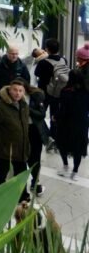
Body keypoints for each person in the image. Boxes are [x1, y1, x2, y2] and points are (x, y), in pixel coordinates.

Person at [0, 79, 31, 197]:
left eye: (20, 91)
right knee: (0, 176)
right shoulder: (0, 107)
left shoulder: (24, 105)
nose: (17, 93)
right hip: (4, 151)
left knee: (21, 176)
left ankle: (22, 198)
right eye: (15, 90)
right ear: (9, 90)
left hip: (21, 150)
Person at [55, 45, 89, 181]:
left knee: (62, 143)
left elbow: (63, 109)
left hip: (66, 123)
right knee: (78, 148)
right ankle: (75, 171)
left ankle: (65, 166)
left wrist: (55, 117)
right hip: (81, 123)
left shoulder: (65, 92)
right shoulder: (86, 93)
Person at [26, 81, 49, 196]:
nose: (17, 92)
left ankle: (35, 183)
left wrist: (27, 109)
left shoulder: (36, 96)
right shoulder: (10, 98)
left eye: (20, 90)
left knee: (35, 159)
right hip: (21, 131)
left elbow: (41, 114)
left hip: (35, 131)